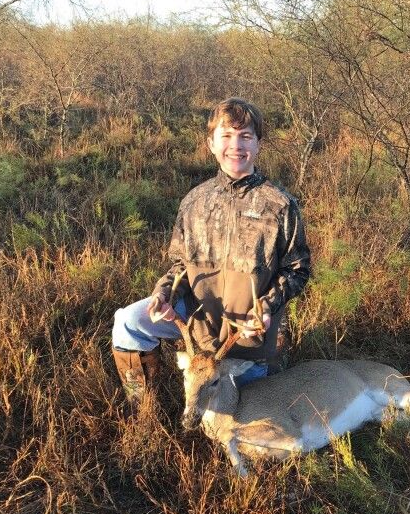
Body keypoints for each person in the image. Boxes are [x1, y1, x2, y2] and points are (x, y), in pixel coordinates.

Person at [112, 97, 311, 405]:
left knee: (240, 415)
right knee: (128, 322)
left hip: (247, 333)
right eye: (226, 136)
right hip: (196, 320)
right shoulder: (195, 201)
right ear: (211, 143)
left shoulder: (280, 204)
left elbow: (297, 270)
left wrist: (267, 309)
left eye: (245, 136)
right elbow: (180, 263)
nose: (236, 145)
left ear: (258, 144)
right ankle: (142, 406)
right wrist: (164, 295)